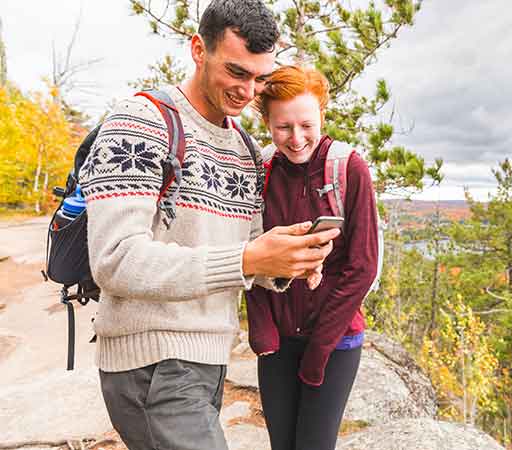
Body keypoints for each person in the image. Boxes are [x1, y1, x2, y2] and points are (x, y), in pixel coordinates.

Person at [78, 2, 340, 450]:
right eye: (237, 72)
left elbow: (249, 252)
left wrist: (286, 261)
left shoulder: (245, 149)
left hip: (209, 359)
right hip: (151, 362)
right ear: (199, 49)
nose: (248, 91)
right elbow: (115, 259)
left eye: (259, 78)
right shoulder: (140, 123)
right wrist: (248, 258)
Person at [246, 66, 379, 450]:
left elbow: (362, 266)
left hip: (335, 341)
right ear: (267, 122)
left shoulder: (348, 168)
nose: (297, 138)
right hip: (278, 340)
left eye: (306, 124)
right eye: (283, 127)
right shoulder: (262, 171)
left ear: (322, 114)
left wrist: (321, 347)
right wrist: (262, 328)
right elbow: (251, 250)